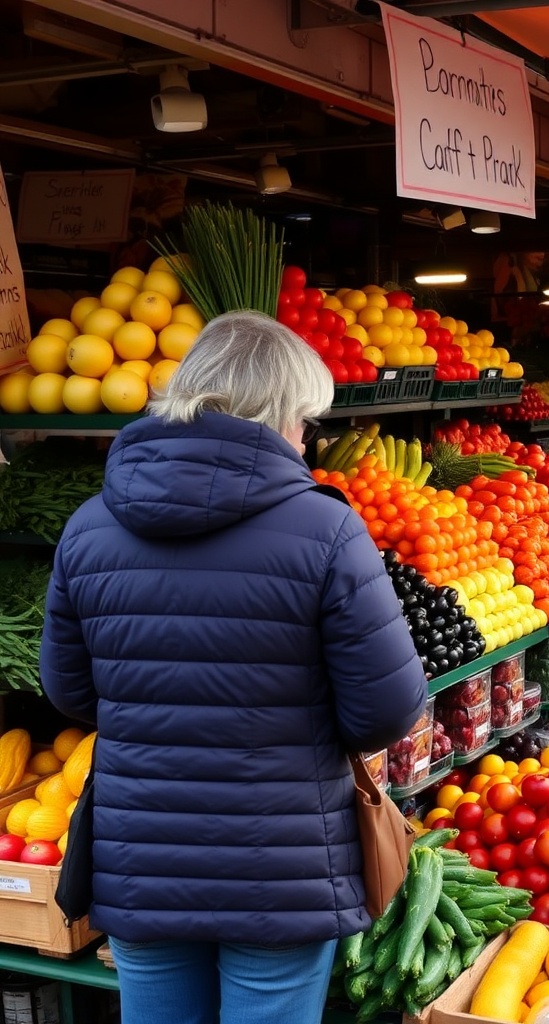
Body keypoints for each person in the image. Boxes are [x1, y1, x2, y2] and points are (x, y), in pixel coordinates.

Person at [39, 312, 428, 1024]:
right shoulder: (327, 528)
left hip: (142, 855)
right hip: (278, 865)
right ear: (277, 413)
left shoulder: (90, 525)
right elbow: (386, 708)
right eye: (304, 419)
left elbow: (67, 690)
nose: (305, 437)